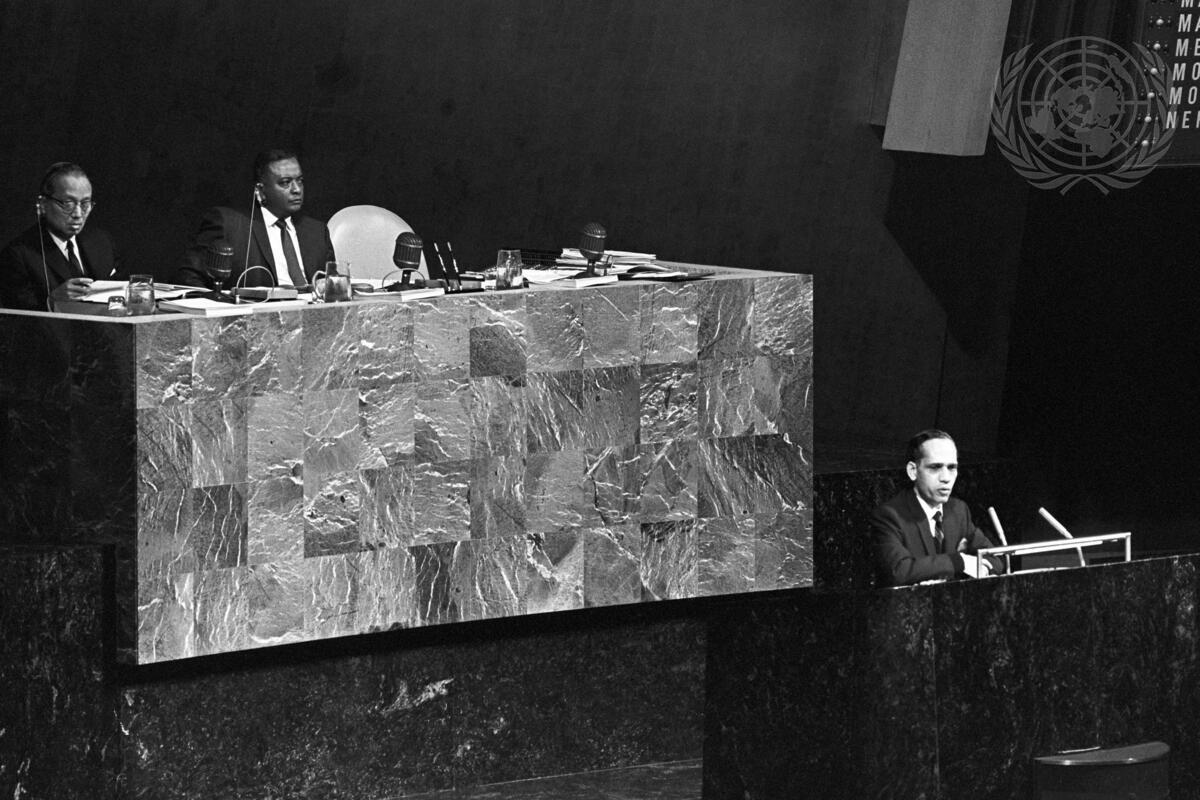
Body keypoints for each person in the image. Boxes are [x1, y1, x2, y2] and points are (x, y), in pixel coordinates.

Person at [176, 149, 335, 289]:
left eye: (300, 181)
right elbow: (188, 279)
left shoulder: (317, 231)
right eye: (285, 183)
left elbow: (333, 284)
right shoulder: (229, 224)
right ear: (261, 190)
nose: (297, 189)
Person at [871, 429, 1005, 587]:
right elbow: (899, 571)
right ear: (913, 471)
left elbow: (995, 559)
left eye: (952, 467)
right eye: (935, 467)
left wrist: (971, 569)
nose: (946, 478)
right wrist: (958, 561)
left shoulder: (958, 510)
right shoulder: (889, 515)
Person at [0, 162, 123, 311]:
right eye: (68, 203)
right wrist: (52, 302)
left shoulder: (102, 241)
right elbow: (17, 317)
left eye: (85, 204)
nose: (78, 214)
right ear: (43, 204)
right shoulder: (18, 255)